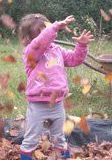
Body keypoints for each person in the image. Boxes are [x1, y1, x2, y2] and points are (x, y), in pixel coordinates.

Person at [18, 14, 94, 160]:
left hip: (57, 104)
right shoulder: (30, 52)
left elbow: (74, 59)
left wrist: (82, 45)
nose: (49, 33)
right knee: (32, 138)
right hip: (37, 105)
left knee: (59, 137)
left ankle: (62, 157)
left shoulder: (57, 50)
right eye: (43, 30)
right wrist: (54, 27)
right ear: (30, 37)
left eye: (47, 28)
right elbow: (39, 44)